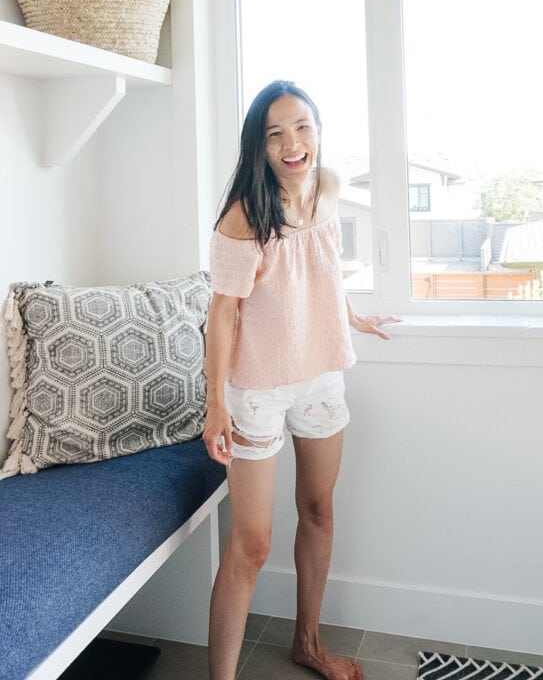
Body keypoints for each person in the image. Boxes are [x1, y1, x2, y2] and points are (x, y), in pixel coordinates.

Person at [203, 79, 399, 680]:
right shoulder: (245, 217)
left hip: (320, 374)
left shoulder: (331, 188)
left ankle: (307, 644)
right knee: (251, 544)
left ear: (318, 131)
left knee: (318, 508)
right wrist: (216, 406)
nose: (293, 144)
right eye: (276, 133)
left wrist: (349, 315)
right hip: (258, 387)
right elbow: (223, 313)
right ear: (259, 146)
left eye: (302, 127)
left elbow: (322, 268)